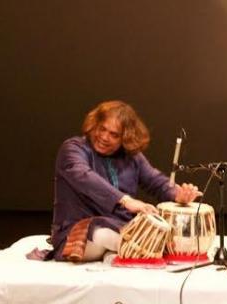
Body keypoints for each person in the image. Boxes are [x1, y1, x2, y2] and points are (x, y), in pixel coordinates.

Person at [49, 100, 202, 262]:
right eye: (102, 129)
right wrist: (125, 200)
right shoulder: (73, 149)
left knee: (123, 236)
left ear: (126, 137)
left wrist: (177, 194)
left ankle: (118, 252)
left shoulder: (131, 157)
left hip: (121, 229)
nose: (104, 137)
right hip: (78, 236)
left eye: (114, 134)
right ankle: (128, 250)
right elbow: (84, 176)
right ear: (95, 125)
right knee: (103, 235)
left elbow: (156, 181)